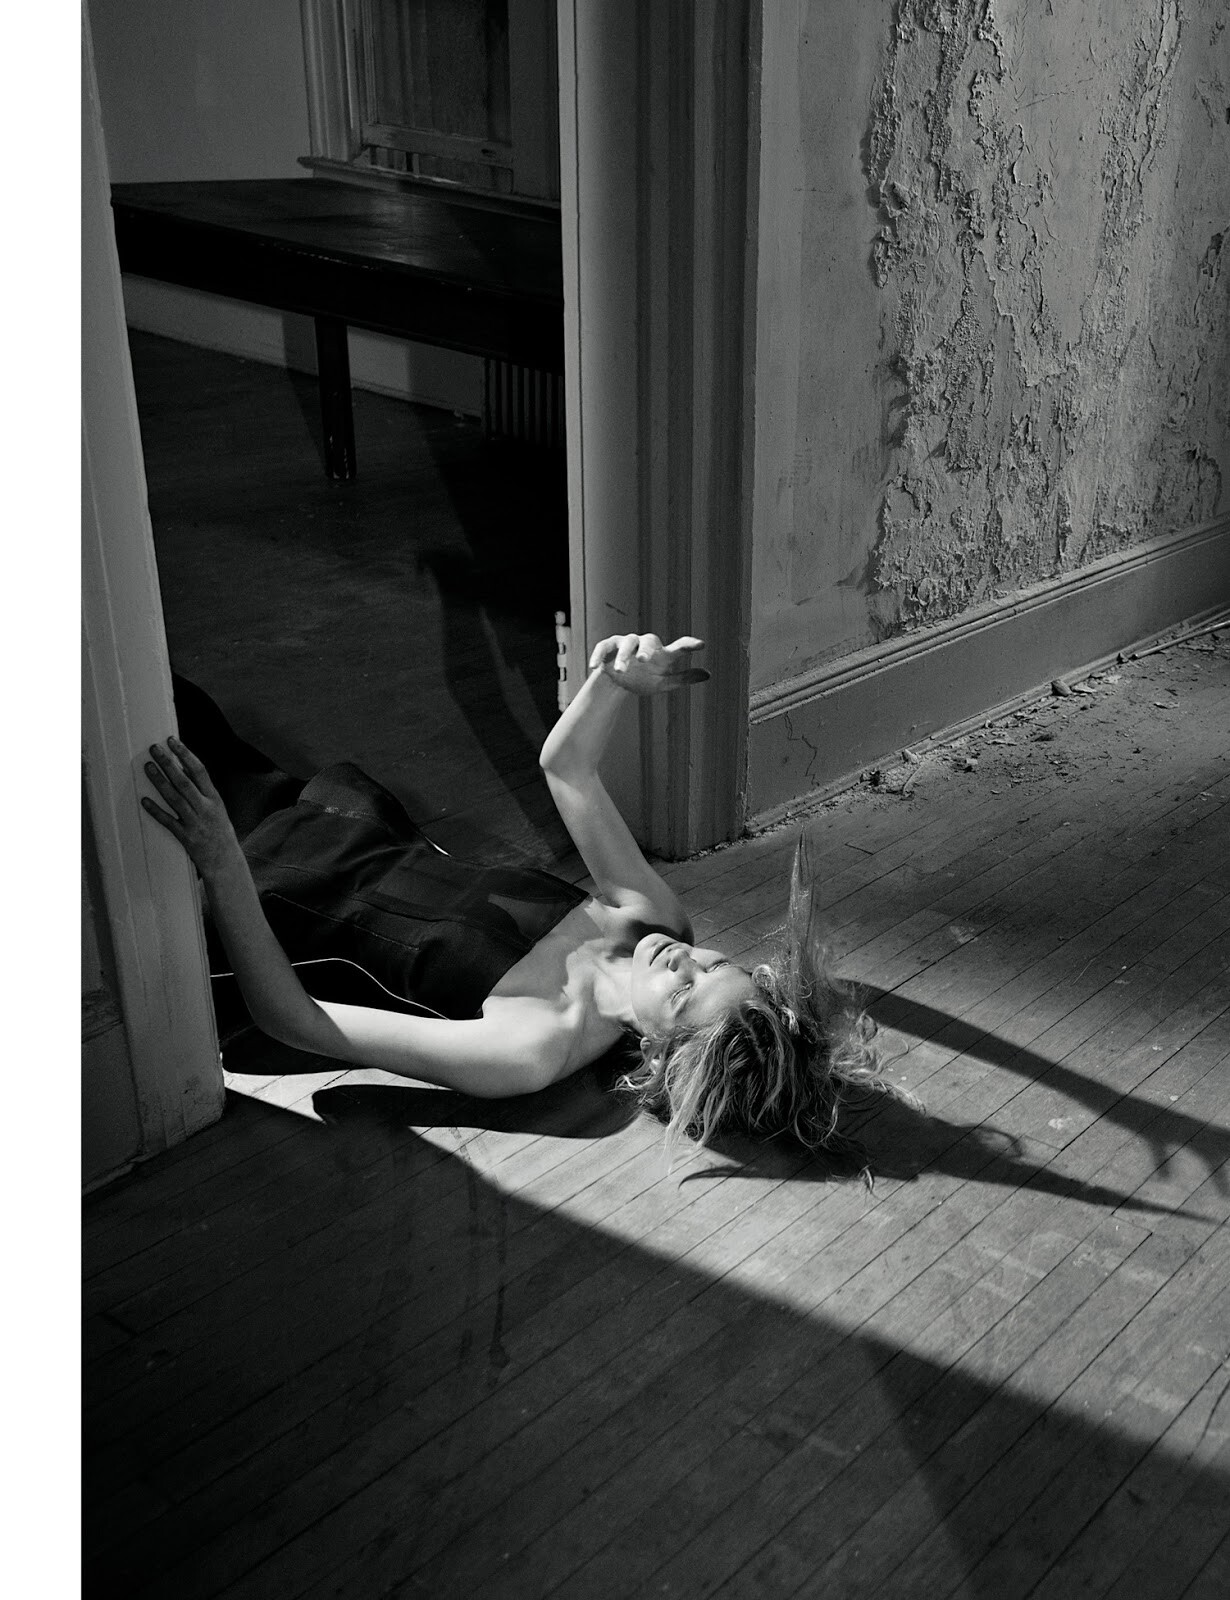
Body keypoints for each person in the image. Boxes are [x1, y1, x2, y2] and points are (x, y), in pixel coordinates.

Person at [142, 632, 890, 1157]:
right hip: (317, 818)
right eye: (713, 962)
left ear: (662, 1050)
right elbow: (567, 770)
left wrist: (217, 858)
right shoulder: (649, 919)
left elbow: (293, 1019)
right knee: (154, 690)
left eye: (685, 991)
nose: (682, 958)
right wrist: (614, 685)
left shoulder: (531, 1048)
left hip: (252, 892)